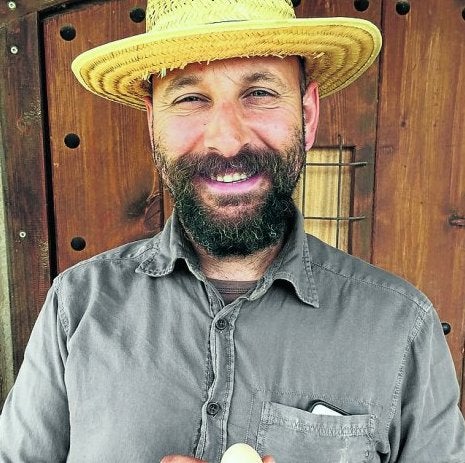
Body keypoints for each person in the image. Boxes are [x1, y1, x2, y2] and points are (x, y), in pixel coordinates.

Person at [1, 0, 464, 461]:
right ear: (151, 122)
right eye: (190, 98)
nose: (227, 139)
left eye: (260, 93)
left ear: (307, 114)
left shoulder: (401, 326)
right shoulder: (76, 305)